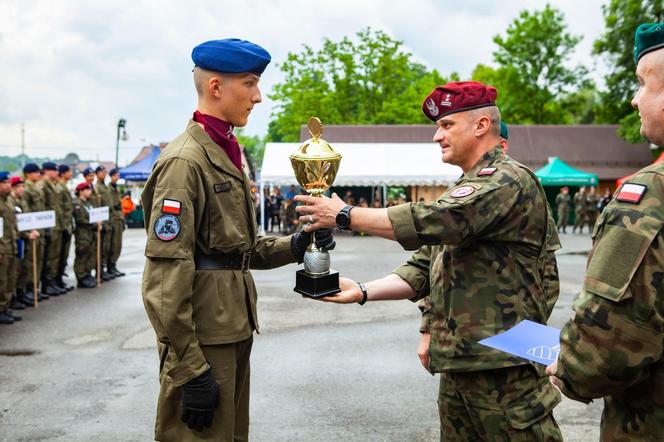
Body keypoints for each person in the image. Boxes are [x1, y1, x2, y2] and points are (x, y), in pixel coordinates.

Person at [295, 81, 562, 441]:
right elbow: (424, 266)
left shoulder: (507, 179)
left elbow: (436, 220)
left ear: (481, 125)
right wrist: (360, 291)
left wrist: (344, 215)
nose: (437, 136)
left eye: (447, 125)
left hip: (506, 361)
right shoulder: (463, 187)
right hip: (461, 360)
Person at [140, 38, 334, 441]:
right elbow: (163, 281)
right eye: (249, 84)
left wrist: (299, 243)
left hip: (231, 325)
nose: (258, 97)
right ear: (216, 87)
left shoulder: (225, 149)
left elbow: (239, 250)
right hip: (202, 337)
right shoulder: (184, 161)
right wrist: (190, 370)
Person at [546, 23, 664, 441]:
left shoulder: (650, 192)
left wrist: (567, 365)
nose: (634, 98)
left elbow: (614, 334)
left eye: (642, 84)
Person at [8, 176, 38, 307]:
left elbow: (26, 219)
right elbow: (13, 225)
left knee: (25, 267)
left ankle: (21, 293)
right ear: (13, 188)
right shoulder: (11, 202)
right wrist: (27, 234)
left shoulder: (22, 201)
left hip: (24, 238)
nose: (22, 189)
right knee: (16, 270)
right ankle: (13, 297)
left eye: (23, 186)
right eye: (19, 187)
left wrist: (32, 230)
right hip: (17, 239)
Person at [39, 162, 67, 296]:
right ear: (47, 171)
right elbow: (43, 207)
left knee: (55, 256)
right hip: (49, 226)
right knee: (49, 257)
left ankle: (53, 282)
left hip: (57, 225)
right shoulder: (42, 185)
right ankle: (47, 284)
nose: (57, 173)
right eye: (54, 171)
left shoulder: (52, 185)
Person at [22, 163, 48, 301]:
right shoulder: (26, 189)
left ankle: (35, 288)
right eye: (36, 172)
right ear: (28, 173)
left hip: (39, 228)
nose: (39, 174)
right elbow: (26, 211)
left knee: (38, 259)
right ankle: (29, 289)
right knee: (30, 261)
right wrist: (30, 228)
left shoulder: (37, 188)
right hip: (32, 228)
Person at [0, 171, 21, 324]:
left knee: (10, 279)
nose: (8, 185)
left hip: (11, 245)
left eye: (8, 183)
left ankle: (5, 307)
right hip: (2, 247)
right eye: (4, 183)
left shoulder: (9, 201)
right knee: (1, 280)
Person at [73, 182, 97, 289]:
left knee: (89, 254)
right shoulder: (77, 203)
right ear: (81, 191)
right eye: (87, 190)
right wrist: (95, 223)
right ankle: (81, 277)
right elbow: (81, 219)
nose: (90, 192)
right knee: (82, 255)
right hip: (82, 234)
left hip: (90, 233)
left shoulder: (87, 203)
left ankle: (87, 274)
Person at [93, 165, 114, 281]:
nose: (104, 174)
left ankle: (103, 269)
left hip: (108, 219)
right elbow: (98, 205)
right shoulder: (97, 187)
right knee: (100, 248)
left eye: (105, 172)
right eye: (102, 172)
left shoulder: (105, 187)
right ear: (97, 174)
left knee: (106, 248)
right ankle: (99, 271)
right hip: (102, 220)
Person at [56, 164, 75, 291]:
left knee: (64, 255)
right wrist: (64, 226)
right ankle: (55, 282)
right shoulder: (59, 188)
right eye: (69, 171)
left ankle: (59, 280)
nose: (71, 173)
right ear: (63, 173)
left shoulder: (64, 187)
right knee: (57, 256)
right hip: (61, 226)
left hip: (67, 225)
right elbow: (60, 210)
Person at [107, 168, 125, 277]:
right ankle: (110, 266)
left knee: (118, 245)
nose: (117, 177)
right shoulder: (109, 189)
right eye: (115, 176)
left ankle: (113, 265)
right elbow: (112, 205)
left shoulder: (115, 188)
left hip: (119, 219)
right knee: (113, 245)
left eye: (118, 175)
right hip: (113, 219)